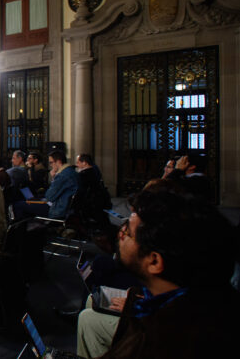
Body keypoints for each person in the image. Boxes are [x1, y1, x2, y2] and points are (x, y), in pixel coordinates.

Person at [96, 191, 239, 358]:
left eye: (127, 233)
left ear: (154, 261)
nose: (119, 234)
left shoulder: (166, 342)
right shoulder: (209, 300)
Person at [13, 150, 78, 220]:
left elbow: (49, 196)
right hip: (61, 207)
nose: (50, 165)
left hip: (57, 209)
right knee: (28, 201)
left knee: (18, 205)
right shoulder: (71, 171)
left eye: (51, 162)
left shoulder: (62, 175)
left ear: (58, 162)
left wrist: (54, 178)